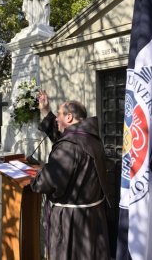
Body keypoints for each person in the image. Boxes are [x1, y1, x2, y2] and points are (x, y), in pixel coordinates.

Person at [30, 91, 111, 260]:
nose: (56, 119)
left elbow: (44, 184)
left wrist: (39, 173)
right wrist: (45, 110)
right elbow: (63, 138)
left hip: (71, 223)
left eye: (58, 115)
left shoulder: (68, 147)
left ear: (69, 117)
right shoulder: (91, 139)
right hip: (92, 216)